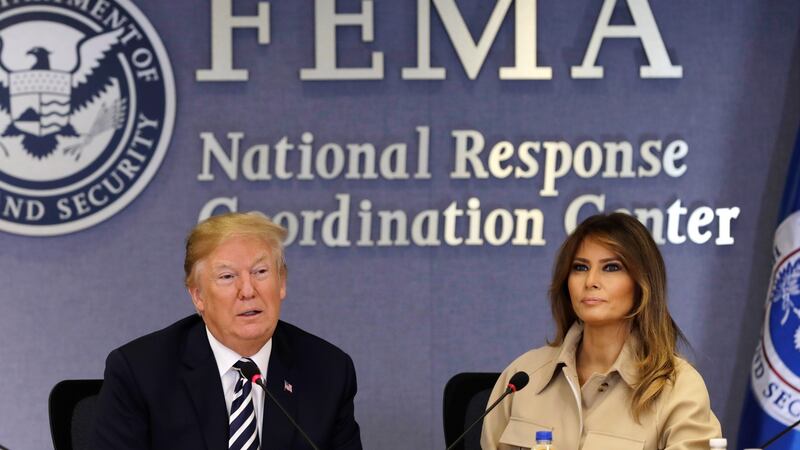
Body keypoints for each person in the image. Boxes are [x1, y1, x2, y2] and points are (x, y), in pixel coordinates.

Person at [94, 212, 363, 450]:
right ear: (198, 295)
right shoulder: (141, 372)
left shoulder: (328, 371)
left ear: (281, 283)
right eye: (227, 277)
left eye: (260, 271)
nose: (247, 291)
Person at [480, 213, 721, 450]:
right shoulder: (522, 376)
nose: (591, 281)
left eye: (611, 267)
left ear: (642, 284)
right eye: (580, 267)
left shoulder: (678, 388)